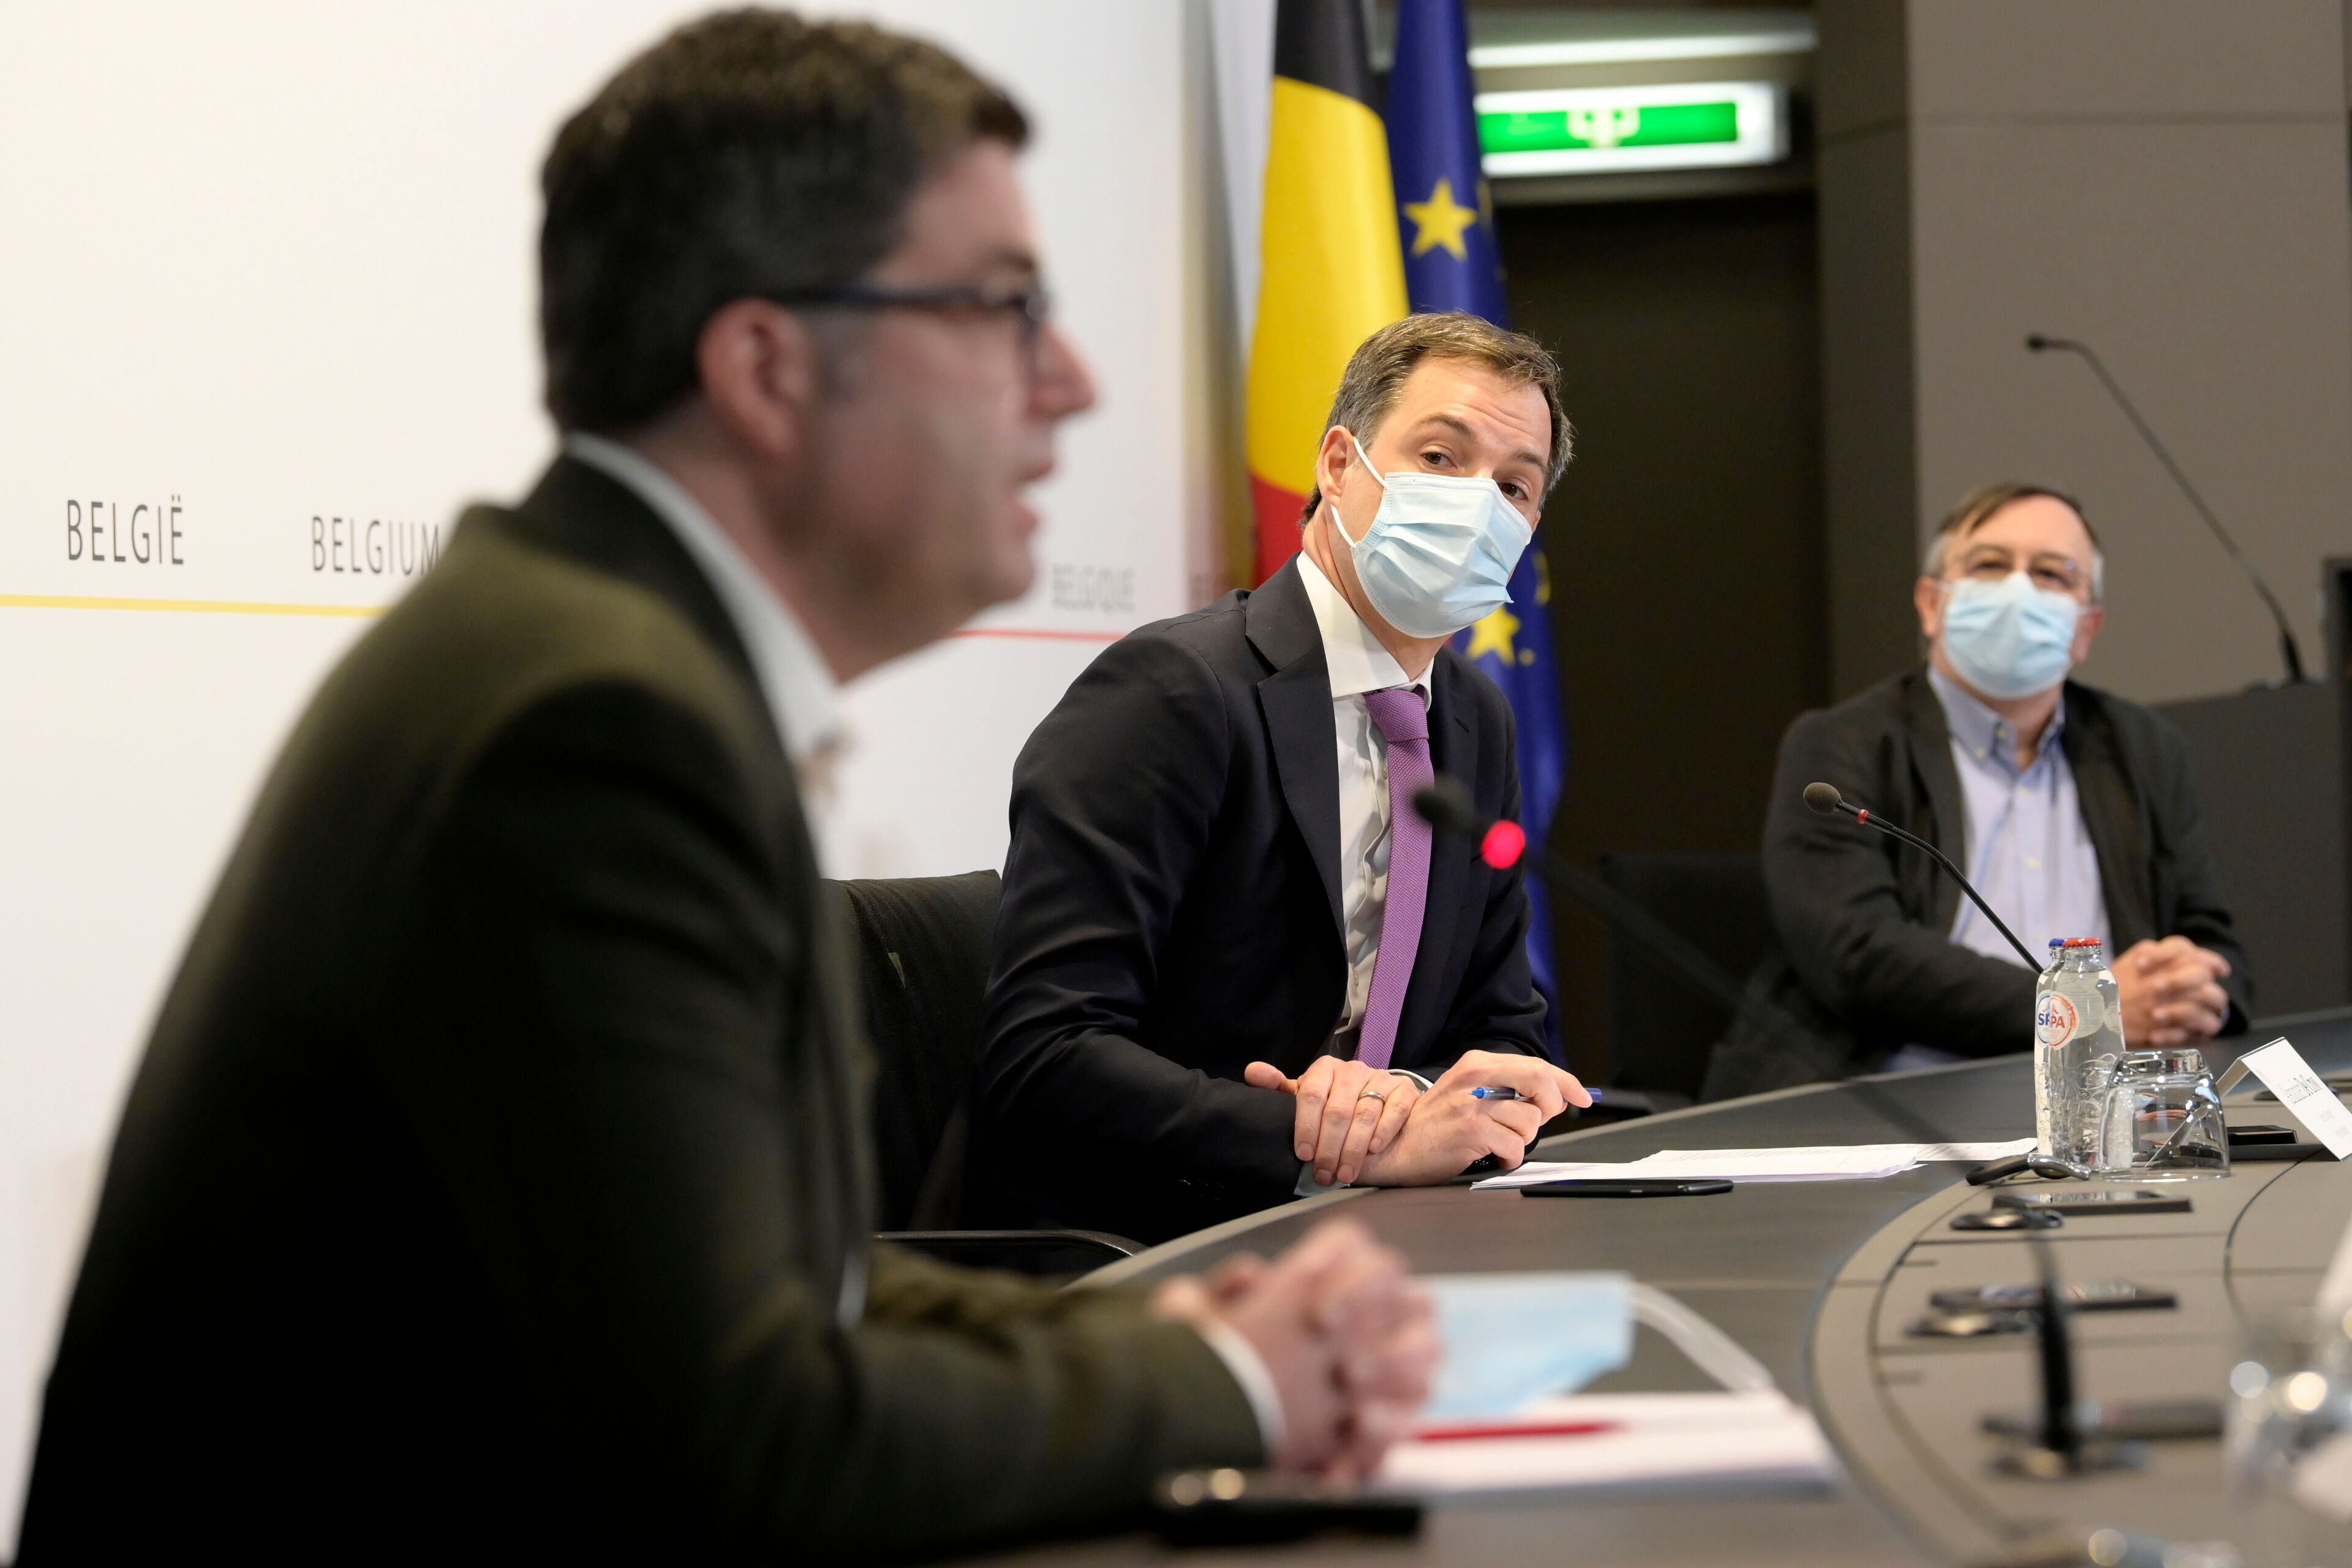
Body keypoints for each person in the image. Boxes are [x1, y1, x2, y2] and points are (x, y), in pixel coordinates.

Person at [18, 14, 1436, 1561]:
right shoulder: (590, 724)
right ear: (765, 367)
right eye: (1002, 308)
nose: (1074, 383)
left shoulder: (585, 648)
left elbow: (784, 1277)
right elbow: (745, 1437)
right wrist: (1227, 1382)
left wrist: (1189, 1332)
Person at [973, 313, 1591, 1246]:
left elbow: (1501, 1028)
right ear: (1340, 466)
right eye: (1438, 457)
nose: (1477, 504)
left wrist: (1412, 1101)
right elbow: (1044, 1051)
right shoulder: (1174, 691)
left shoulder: (1474, 720)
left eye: (1513, 486)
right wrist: (1325, 1138)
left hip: (1382, 1235)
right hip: (1154, 1238)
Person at [1702, 482, 2252, 1099]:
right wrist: (2089, 1011)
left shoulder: (2144, 748)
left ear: (2086, 629)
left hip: (2102, 1107)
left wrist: (2195, 992)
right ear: (1931, 604)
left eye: (2051, 573)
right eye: (1989, 565)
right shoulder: (1841, 743)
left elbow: (2213, 944)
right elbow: (1854, 954)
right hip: (1890, 1103)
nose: (2019, 590)